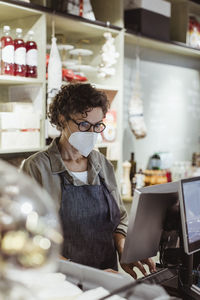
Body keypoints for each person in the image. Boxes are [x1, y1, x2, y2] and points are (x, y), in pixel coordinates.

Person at [21, 83, 156, 278]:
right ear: (62, 119)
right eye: (84, 125)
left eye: (98, 125)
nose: (92, 133)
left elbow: (120, 219)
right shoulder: (36, 168)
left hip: (106, 279)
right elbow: (30, 239)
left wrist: (123, 247)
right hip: (60, 282)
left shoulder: (102, 164)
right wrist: (87, 274)